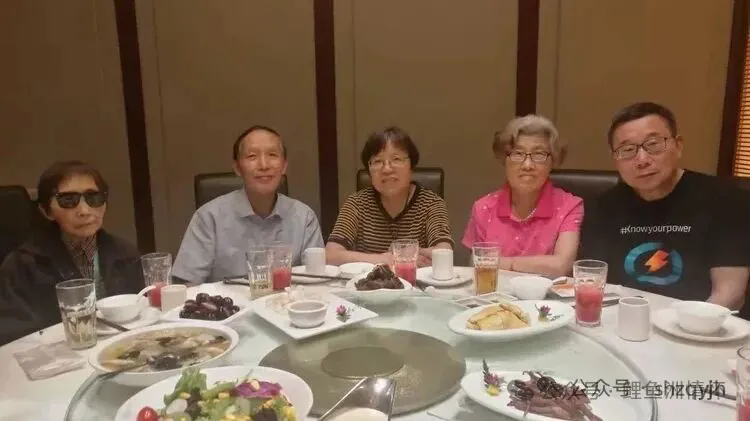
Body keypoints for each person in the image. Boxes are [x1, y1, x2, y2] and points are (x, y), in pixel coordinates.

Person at [580, 102, 750, 310]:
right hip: (624, 319)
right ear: (615, 158)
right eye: (627, 150)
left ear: (678, 146)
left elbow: (730, 294)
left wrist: (688, 324)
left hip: (698, 322)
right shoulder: (603, 206)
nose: (642, 160)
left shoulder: (726, 200)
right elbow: (594, 284)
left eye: (653, 144)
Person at [0, 161, 144, 344]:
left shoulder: (125, 253)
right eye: (68, 201)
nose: (84, 211)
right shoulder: (22, 265)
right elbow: (14, 338)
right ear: (46, 211)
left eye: (94, 198)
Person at [172, 125, 324, 283]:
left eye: (272, 155)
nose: (264, 165)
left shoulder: (304, 217)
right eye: (252, 156)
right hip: (226, 299)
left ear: (284, 166)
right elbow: (187, 284)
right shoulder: (208, 218)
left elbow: (318, 280)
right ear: (238, 168)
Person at [462, 115, 583, 277]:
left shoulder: (569, 206)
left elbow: (561, 265)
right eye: (517, 153)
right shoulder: (483, 208)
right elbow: (475, 263)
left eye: (539, 154)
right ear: (504, 159)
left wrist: (506, 263)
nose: (527, 165)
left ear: (552, 161)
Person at [326, 126, 453, 266]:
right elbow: (330, 255)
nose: (386, 169)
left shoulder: (431, 203)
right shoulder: (357, 203)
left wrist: (406, 253)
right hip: (369, 279)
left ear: (411, 167)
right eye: (377, 161)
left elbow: (444, 252)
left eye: (396, 159)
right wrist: (383, 259)